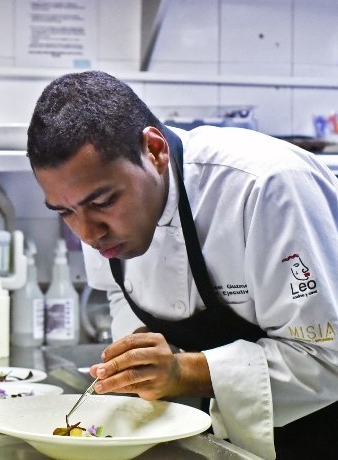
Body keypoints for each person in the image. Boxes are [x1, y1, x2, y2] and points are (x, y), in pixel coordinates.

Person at [27, 70, 338, 459]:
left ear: (155, 151)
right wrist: (138, 362)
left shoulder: (265, 186)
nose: (88, 234)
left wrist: (180, 372)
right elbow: (119, 295)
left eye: (103, 202)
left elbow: (328, 360)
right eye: (64, 212)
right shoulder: (96, 216)